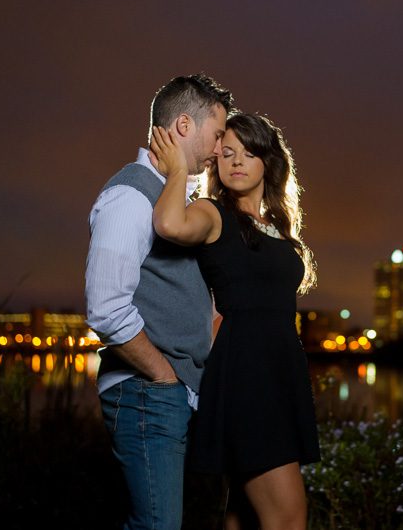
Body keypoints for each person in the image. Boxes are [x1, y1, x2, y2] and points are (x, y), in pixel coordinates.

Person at [149, 112, 320, 530]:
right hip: (247, 375)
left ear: (268, 161)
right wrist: (177, 171)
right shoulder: (212, 214)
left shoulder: (276, 227)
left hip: (279, 374)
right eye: (226, 153)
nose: (237, 160)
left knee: (242, 514)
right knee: (288, 516)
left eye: (248, 152)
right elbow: (169, 223)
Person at [85, 74, 234, 530]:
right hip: (147, 392)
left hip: (168, 394)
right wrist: (163, 376)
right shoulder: (130, 195)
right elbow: (106, 307)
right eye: (217, 134)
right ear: (184, 126)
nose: (220, 149)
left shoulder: (176, 199)